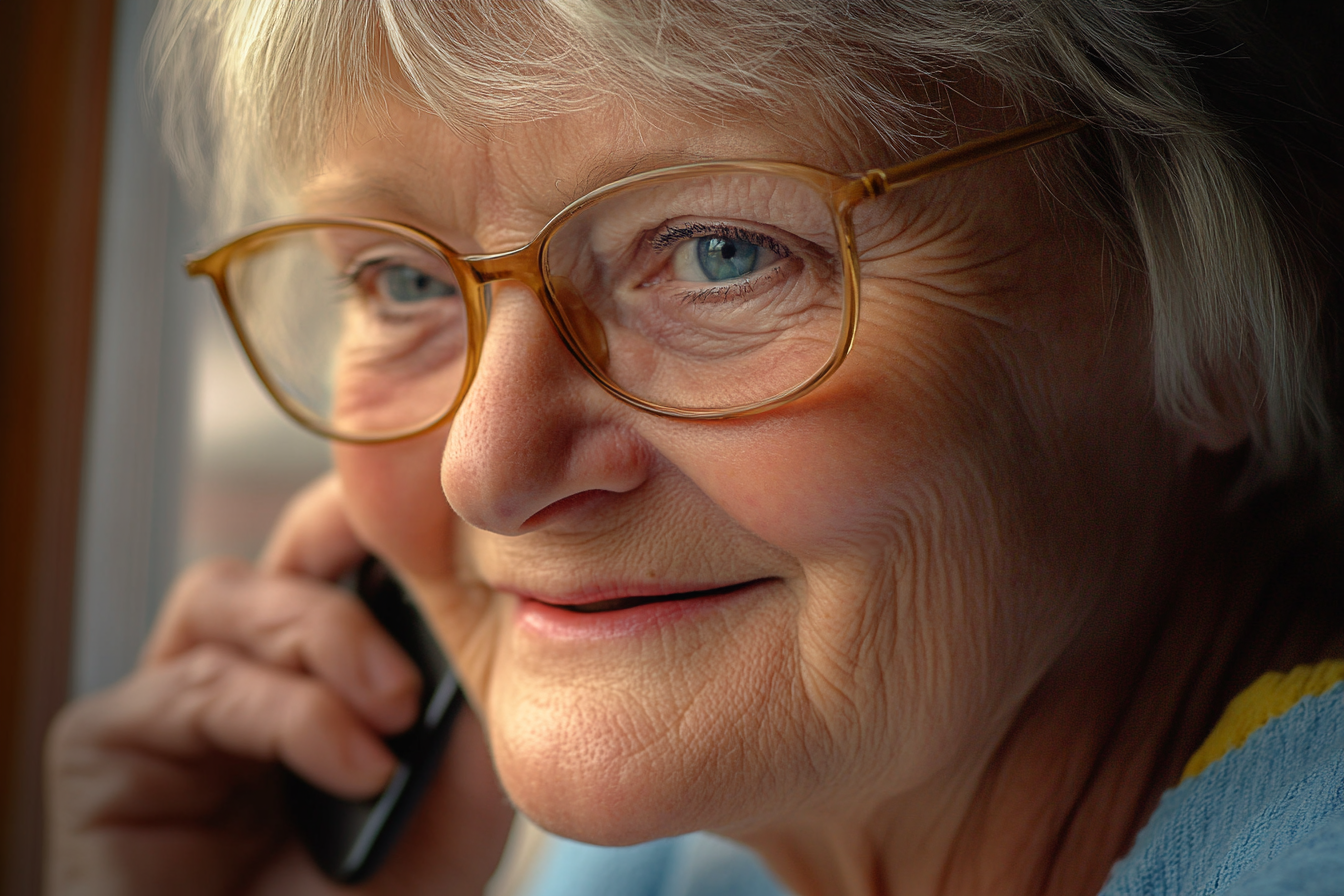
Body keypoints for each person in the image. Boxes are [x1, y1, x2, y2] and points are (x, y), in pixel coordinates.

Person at [44, 1, 1344, 894]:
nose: (483, 470)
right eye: (402, 284)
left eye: (722, 254)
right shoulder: (672, 857)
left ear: (1234, 307)